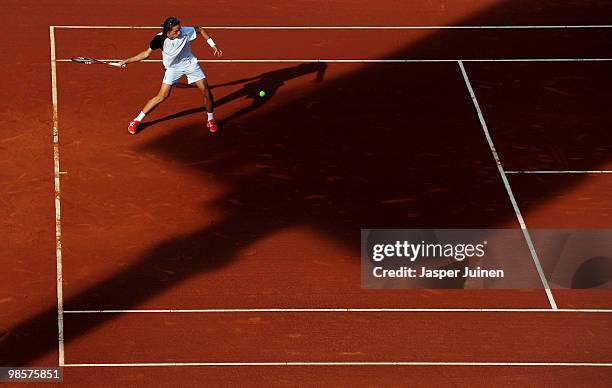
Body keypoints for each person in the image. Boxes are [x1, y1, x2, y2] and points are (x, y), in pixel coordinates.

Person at [119, 17, 223, 134]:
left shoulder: (185, 31)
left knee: (206, 91)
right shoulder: (159, 39)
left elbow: (200, 29)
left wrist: (213, 45)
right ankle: (136, 121)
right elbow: (145, 54)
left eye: (180, 29)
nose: (179, 32)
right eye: (176, 31)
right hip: (173, 68)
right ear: (168, 30)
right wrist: (126, 61)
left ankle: (211, 120)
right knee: (162, 96)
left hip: (190, 63)